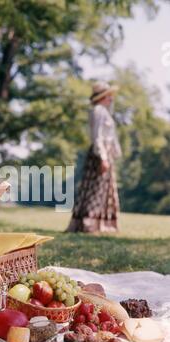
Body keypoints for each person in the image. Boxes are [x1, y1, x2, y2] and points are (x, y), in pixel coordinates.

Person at [66, 81, 122, 233]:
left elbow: (111, 136)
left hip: (106, 153)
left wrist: (114, 153)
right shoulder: (98, 111)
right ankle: (88, 224)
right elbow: (97, 136)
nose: (111, 98)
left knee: (104, 189)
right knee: (95, 189)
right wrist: (103, 157)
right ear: (103, 97)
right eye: (109, 95)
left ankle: (100, 225)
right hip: (99, 154)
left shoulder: (105, 112)